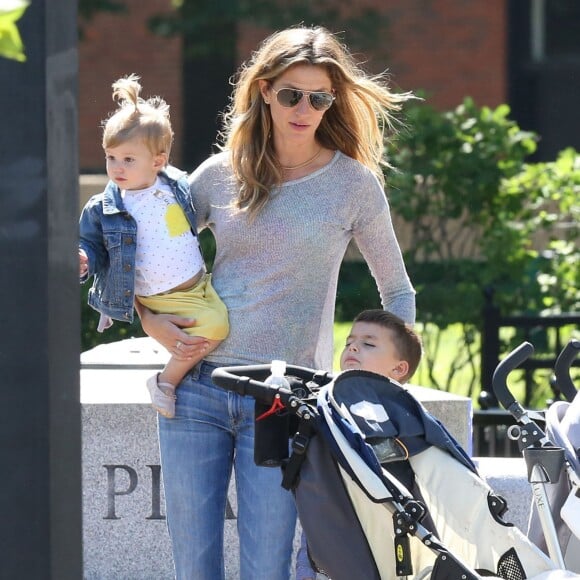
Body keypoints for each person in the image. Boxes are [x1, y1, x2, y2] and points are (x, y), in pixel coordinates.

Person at [136, 25, 416, 580]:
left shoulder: (353, 185)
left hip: (286, 401)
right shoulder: (219, 174)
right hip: (198, 390)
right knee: (195, 567)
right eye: (291, 94)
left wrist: (385, 384)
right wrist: (155, 325)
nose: (303, 108)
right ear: (265, 91)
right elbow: (153, 257)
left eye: (319, 98)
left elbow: (398, 289)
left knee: (268, 567)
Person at [79, 74, 229, 419]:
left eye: (129, 160)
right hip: (162, 297)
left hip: (198, 284)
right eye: (111, 157)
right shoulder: (108, 207)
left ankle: (181, 374)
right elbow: (92, 243)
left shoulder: (174, 184)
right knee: (217, 327)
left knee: (222, 323)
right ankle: (165, 382)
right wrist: (84, 257)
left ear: (158, 162)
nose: (117, 167)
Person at [296, 308, 423, 580]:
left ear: (399, 368)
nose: (353, 346)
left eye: (368, 344)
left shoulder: (403, 417)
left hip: (385, 534)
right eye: (349, 342)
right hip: (327, 536)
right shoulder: (327, 404)